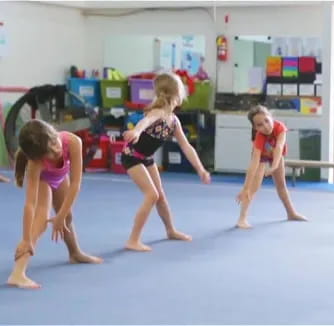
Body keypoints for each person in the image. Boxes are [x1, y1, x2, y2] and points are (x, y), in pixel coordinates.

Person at [7, 120, 102, 289]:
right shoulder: (36, 164)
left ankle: (74, 253)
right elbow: (30, 204)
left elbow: (75, 184)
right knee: (41, 221)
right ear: (39, 157)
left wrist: (61, 216)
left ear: (53, 133)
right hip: (44, 180)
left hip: (61, 178)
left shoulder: (73, 142)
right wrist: (27, 239)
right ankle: (17, 273)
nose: (57, 151)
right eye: (50, 153)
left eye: (55, 145)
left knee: (68, 216)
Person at [121, 73, 210, 252]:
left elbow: (186, 147)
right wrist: (137, 132)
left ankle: (170, 230)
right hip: (132, 155)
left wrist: (200, 169)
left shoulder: (173, 121)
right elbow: (145, 121)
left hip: (146, 158)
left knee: (160, 195)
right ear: (176, 94)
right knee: (151, 195)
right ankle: (133, 240)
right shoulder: (159, 113)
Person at [235, 105, 307, 229]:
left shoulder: (280, 128)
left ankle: (291, 213)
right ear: (255, 127)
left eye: (267, 121)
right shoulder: (259, 137)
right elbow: (254, 163)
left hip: (276, 156)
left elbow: (279, 147)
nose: (265, 127)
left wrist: (274, 167)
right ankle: (242, 219)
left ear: (271, 117)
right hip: (262, 157)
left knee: (281, 186)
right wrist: (245, 188)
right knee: (252, 189)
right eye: (259, 125)